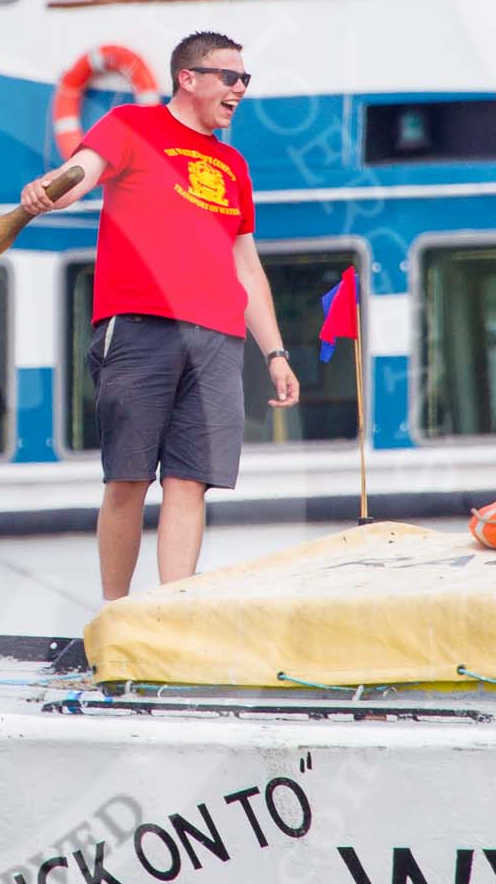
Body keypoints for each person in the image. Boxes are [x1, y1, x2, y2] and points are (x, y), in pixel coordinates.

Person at [21, 31, 298, 600]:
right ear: (188, 79)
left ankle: (171, 613)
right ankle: (117, 614)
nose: (241, 89)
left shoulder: (232, 165)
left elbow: (246, 267)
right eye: (230, 77)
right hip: (141, 322)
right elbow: (82, 172)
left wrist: (275, 352)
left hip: (219, 336)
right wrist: (46, 189)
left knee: (190, 480)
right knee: (128, 478)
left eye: (246, 79)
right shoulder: (130, 126)